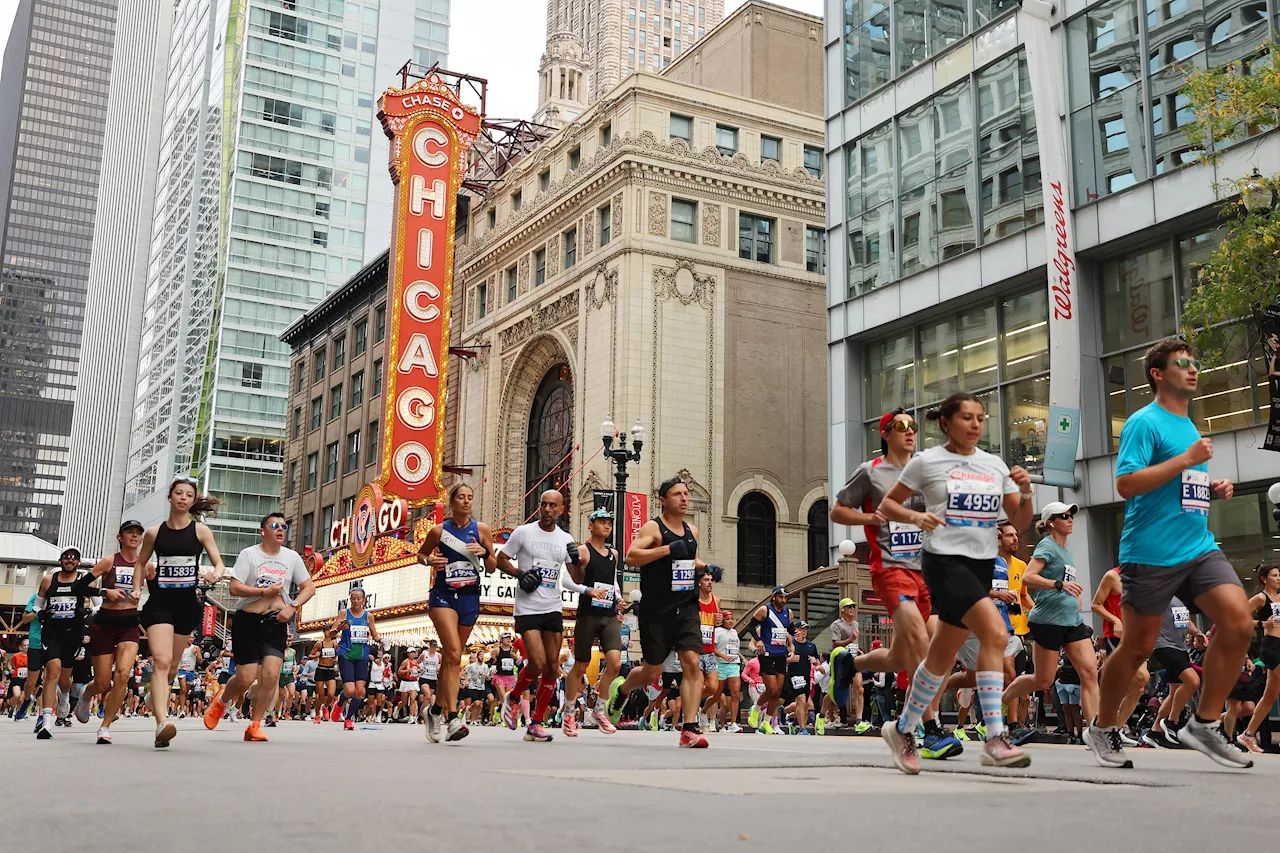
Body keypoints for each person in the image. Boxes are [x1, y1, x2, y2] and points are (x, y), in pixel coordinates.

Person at [1086, 338, 1254, 769]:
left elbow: (1176, 488)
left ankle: (1204, 723)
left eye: (1194, 364)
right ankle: (1103, 727)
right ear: (1158, 374)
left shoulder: (1190, 427)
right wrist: (1186, 461)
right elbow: (1126, 485)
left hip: (1198, 546)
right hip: (1151, 552)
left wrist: (1211, 490)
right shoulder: (1145, 422)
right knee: (1137, 647)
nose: (1193, 370)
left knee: (1238, 622)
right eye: (1182, 364)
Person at [878, 391, 1036, 773]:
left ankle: (902, 729)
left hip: (981, 564)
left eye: (980, 418)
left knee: (940, 657)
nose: (975, 425)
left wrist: (1026, 491)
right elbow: (888, 505)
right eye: (967, 418)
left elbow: (1023, 519)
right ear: (946, 423)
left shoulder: (994, 465)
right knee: (996, 634)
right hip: (943, 560)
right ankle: (996, 736)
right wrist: (917, 519)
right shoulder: (927, 462)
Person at [831, 409, 953, 756]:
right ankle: (928, 729)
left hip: (925, 570)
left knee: (902, 657)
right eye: (901, 426)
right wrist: (871, 516)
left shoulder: (925, 469)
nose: (910, 430)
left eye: (913, 426)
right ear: (885, 433)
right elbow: (838, 511)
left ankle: (849, 663)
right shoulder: (871, 472)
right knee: (920, 642)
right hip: (890, 568)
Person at [603, 477, 721, 748]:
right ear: (663, 500)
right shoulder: (653, 528)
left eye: (686, 493)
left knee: (692, 661)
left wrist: (707, 567)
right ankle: (621, 690)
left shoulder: (692, 530)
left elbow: (689, 561)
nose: (684, 498)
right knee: (651, 672)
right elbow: (631, 556)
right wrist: (667, 548)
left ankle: (689, 728)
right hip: (657, 610)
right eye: (677, 494)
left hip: (687, 607)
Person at [131, 476, 225, 748]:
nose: (183, 497)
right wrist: (137, 589)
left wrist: (214, 575)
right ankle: (161, 723)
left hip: (187, 605)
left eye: (188, 494)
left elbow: (219, 563)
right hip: (160, 603)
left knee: (171, 668)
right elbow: (141, 564)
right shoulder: (154, 533)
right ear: (170, 497)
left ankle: (153, 699)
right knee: (160, 661)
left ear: (193, 501)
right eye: (178, 493)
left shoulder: (200, 532)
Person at [204, 512, 314, 741]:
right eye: (275, 525)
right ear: (262, 531)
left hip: (276, 620)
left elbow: (308, 587)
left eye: (284, 526)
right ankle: (222, 701)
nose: (280, 529)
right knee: (245, 678)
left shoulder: (292, 557)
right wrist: (264, 592)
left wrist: (291, 607)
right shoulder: (249, 555)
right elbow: (235, 588)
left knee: (272, 674)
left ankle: (255, 725)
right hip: (248, 621)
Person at [1001, 503, 1098, 738]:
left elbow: (1067, 580)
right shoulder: (1046, 545)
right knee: (1043, 681)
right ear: (1051, 523)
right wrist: (1058, 584)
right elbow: (1028, 577)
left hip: (1072, 621)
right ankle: (997, 703)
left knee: (1090, 673)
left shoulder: (1068, 551)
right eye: (1064, 516)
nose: (1070, 519)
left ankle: (1096, 731)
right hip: (1047, 621)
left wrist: (1076, 594)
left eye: (1071, 515)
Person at [417, 482, 497, 742]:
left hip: (470, 597)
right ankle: (452, 718)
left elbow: (493, 566)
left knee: (452, 660)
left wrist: (485, 552)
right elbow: (420, 554)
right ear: (451, 502)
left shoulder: (481, 529)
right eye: (460, 497)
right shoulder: (439, 531)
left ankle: (434, 710)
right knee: (452, 652)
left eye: (469, 497)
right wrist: (429, 560)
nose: (465, 501)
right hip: (443, 595)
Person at [497, 490, 575, 743]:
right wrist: (520, 574)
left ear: (561, 510)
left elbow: (578, 576)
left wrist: (577, 561)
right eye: (544, 504)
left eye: (553, 505)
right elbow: (500, 559)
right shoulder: (524, 532)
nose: (547, 509)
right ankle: (515, 696)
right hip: (528, 607)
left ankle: (536, 723)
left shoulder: (565, 539)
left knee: (553, 668)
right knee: (538, 663)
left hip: (553, 607)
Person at [74, 520, 153, 744]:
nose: (135, 536)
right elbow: (79, 587)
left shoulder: (146, 566)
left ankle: (105, 726)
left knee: (122, 675)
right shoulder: (110, 561)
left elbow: (158, 593)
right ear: (120, 537)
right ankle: (87, 694)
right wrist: (104, 591)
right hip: (105, 623)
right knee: (103, 682)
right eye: (130, 532)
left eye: (138, 533)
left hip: (129, 623)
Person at [561, 507, 623, 736]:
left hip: (608, 615)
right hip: (588, 614)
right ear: (591, 525)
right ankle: (568, 713)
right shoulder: (583, 551)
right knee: (580, 665)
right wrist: (587, 590)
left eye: (609, 522)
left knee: (615, 663)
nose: (607, 526)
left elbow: (612, 581)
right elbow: (566, 580)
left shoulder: (613, 554)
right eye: (602, 522)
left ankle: (599, 710)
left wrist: (618, 598)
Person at [32, 547, 92, 739]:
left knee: (65, 678)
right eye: (66, 557)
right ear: (60, 561)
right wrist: (40, 613)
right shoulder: (49, 580)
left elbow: (98, 604)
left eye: (74, 558)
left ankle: (64, 697)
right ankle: (47, 722)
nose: (70, 560)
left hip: (73, 634)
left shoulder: (83, 582)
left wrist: (88, 612)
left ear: (78, 562)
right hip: (52, 632)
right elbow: (37, 604)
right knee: (52, 671)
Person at [1089, 567, 1149, 742]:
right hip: (1116, 638)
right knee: (1140, 677)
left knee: (1139, 687)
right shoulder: (1112, 576)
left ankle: (1112, 730)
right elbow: (1095, 604)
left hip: (1137, 637)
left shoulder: (1144, 580)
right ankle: (1102, 725)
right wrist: (1114, 619)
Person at [1143, 596, 1204, 749]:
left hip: (1180, 647)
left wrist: (1197, 632)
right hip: (1164, 646)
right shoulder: (1160, 592)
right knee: (1193, 681)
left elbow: (1184, 620)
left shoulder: (1179, 599)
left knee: (1174, 692)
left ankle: (1155, 732)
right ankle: (1171, 722)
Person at [1235, 564, 1280, 753]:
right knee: (1269, 695)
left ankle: (1248, 734)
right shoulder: (1261, 598)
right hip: (1272, 647)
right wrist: (1262, 623)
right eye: (1275, 575)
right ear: (1264, 578)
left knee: (1269, 695)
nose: (1279, 578)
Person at [996, 521, 1034, 728]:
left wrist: (1037, 614)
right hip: (995, 627)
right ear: (999, 539)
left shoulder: (1022, 566)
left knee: (1013, 678)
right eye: (1010, 535)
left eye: (1016, 535)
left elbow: (1024, 597)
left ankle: (1012, 725)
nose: (1016, 539)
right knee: (1006, 674)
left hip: (1017, 630)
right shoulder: (989, 563)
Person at [332, 586, 381, 732]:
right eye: (353, 599)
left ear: (364, 600)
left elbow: (375, 634)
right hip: (346, 654)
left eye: (358, 599)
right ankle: (339, 703)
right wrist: (340, 628)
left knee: (360, 692)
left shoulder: (368, 616)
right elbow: (331, 633)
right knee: (349, 690)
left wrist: (382, 641)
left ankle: (348, 719)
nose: (355, 601)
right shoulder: (344, 613)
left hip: (362, 656)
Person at [746, 586, 793, 735]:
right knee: (771, 688)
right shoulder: (764, 610)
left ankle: (766, 722)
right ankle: (756, 708)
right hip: (766, 653)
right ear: (774, 597)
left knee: (777, 692)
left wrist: (792, 643)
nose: (783, 600)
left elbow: (789, 630)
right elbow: (751, 626)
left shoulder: (789, 613)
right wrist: (759, 641)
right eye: (780, 597)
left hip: (781, 653)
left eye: (785, 597)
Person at [785, 621, 820, 734]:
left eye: (805, 629)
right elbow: (783, 658)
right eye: (801, 629)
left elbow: (817, 661)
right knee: (801, 699)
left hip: (807, 676)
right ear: (796, 630)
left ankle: (794, 723)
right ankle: (802, 728)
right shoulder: (791, 644)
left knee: (804, 704)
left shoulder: (811, 645)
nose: (804, 631)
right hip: (794, 675)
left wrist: (815, 661)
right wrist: (789, 660)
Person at [711, 611, 743, 732]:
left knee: (735, 695)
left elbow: (734, 648)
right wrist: (723, 656)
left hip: (733, 665)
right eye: (728, 619)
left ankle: (733, 723)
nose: (731, 621)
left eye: (732, 619)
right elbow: (712, 648)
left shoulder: (734, 632)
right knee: (717, 695)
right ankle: (706, 714)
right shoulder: (717, 631)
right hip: (720, 665)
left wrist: (741, 657)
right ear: (723, 620)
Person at [311, 628, 340, 723]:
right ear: (324, 632)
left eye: (330, 631)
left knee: (331, 694)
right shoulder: (319, 643)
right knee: (321, 695)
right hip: (321, 669)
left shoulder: (335, 644)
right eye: (327, 631)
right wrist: (316, 656)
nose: (329, 633)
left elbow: (339, 653)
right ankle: (317, 715)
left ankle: (325, 706)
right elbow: (310, 655)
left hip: (331, 670)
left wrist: (337, 658)